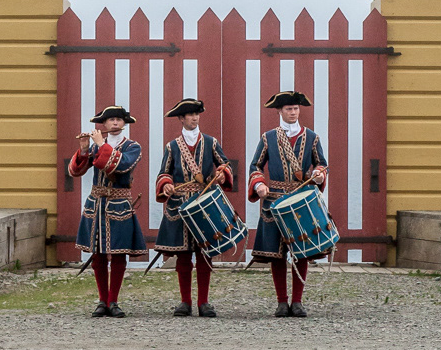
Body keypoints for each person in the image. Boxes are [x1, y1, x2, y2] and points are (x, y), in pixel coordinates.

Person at [248, 90, 329, 318]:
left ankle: (298, 301)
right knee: (277, 253)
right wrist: (258, 185)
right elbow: (255, 166)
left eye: (295, 109)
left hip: (302, 199)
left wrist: (319, 174)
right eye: (288, 109)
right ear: (279, 112)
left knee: (302, 251)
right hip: (274, 199)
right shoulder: (268, 138)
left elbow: (321, 163)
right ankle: (282, 302)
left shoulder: (312, 137)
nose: (293, 113)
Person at [154, 98, 234, 318]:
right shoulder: (172, 146)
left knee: (205, 253)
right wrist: (166, 184)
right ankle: (185, 302)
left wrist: (222, 174)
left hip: (204, 204)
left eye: (197, 114)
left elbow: (225, 164)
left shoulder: (211, 142)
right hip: (179, 204)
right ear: (181, 119)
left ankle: (204, 302)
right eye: (190, 115)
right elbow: (164, 173)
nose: (194, 118)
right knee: (182, 255)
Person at [68, 105, 146, 317]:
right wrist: (84, 149)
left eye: (119, 119)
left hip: (119, 204)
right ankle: (102, 301)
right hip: (96, 204)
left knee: (119, 253)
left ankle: (114, 300)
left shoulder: (132, 147)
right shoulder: (94, 146)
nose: (114, 123)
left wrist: (101, 144)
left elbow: (120, 166)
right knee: (98, 253)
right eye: (110, 119)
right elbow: (75, 171)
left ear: (124, 123)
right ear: (103, 124)